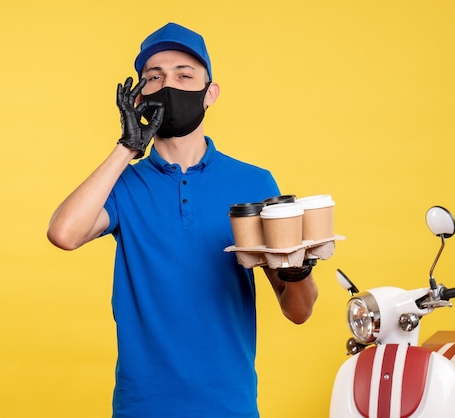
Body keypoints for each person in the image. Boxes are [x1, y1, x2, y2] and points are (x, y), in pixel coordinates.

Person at [47, 22, 318, 418]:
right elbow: (63, 233)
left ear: (211, 93)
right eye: (153, 77)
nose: (168, 84)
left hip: (229, 404)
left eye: (184, 75)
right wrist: (127, 147)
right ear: (139, 97)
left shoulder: (254, 182)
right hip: (142, 405)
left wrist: (299, 268)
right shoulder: (124, 184)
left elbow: (298, 311)